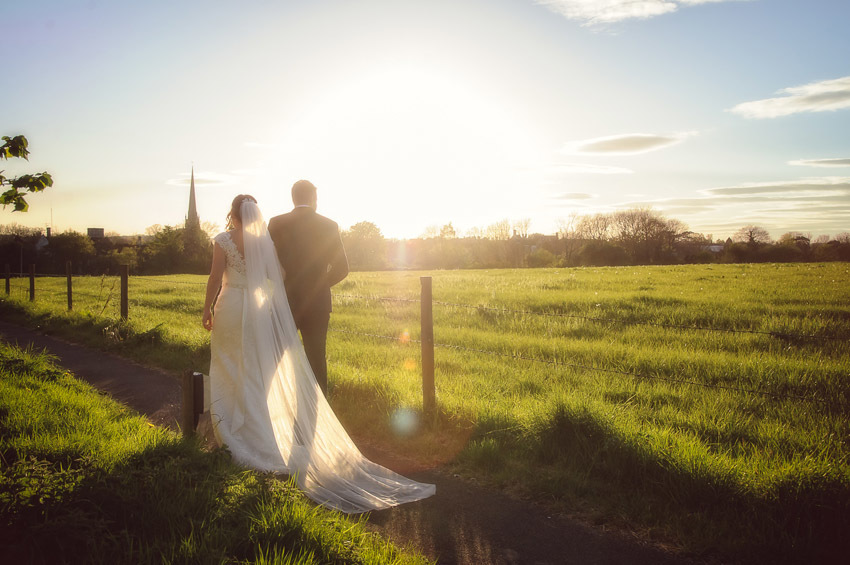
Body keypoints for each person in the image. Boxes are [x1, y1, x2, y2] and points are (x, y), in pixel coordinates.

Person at [202, 194, 434, 513]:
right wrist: (312, 286)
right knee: (288, 366)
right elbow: (295, 273)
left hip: (233, 308)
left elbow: (218, 276)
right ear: (313, 197)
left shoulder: (246, 233)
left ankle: (232, 429)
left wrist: (208, 307)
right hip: (278, 309)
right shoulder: (282, 236)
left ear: (233, 213)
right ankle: (292, 425)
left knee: (246, 368)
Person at [267, 180, 348, 396]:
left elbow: (266, 263)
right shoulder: (328, 225)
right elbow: (342, 269)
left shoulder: (276, 223)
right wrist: (318, 285)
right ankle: (319, 411)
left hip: (285, 300)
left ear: (293, 198)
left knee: (275, 357)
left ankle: (270, 405)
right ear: (313, 198)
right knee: (316, 357)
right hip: (318, 303)